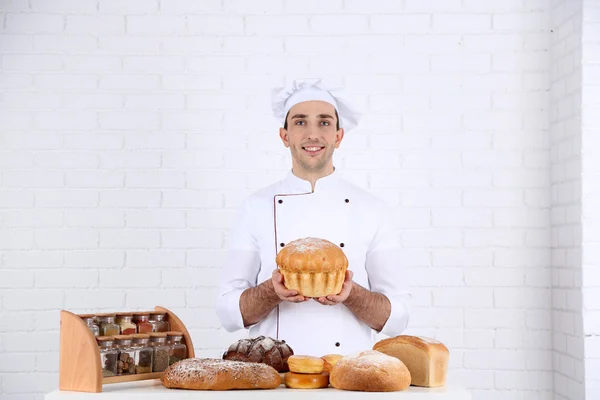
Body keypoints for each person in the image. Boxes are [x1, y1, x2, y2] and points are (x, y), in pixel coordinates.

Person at [215, 79, 411, 356]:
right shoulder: (255, 206)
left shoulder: (372, 209)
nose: (312, 134)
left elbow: (397, 317)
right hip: (274, 375)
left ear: (338, 136)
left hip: (346, 372)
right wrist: (272, 291)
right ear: (284, 136)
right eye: (300, 122)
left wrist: (352, 293)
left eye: (324, 122)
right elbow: (227, 312)